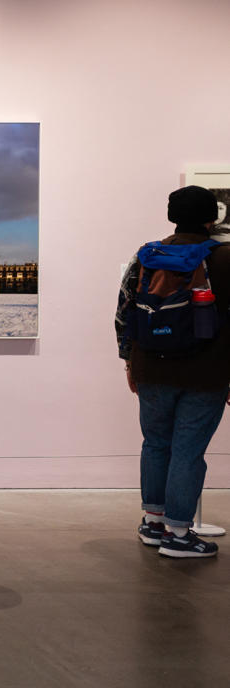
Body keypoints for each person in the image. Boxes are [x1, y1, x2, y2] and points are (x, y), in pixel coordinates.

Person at [115, 185, 230, 558]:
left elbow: (124, 311)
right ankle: (179, 534)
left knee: (156, 444)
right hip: (206, 371)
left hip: (151, 366)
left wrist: (129, 360)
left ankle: (153, 523)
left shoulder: (147, 256)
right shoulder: (226, 257)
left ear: (172, 216)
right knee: (188, 451)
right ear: (212, 218)